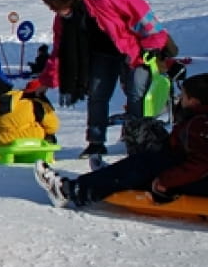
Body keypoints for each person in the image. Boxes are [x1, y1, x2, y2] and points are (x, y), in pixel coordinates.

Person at [37, 0, 174, 160]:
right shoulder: (64, 21)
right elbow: (60, 52)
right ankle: (96, 143)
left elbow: (141, 13)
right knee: (97, 95)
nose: (53, 9)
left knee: (136, 95)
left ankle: (137, 140)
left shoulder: (106, 0)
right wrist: (47, 80)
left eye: (54, 4)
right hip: (102, 56)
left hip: (133, 52)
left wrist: (152, 44)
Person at [35, 74, 208, 208]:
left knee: (142, 165)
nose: (180, 99)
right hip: (189, 171)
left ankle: (70, 191)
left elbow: (201, 164)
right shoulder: (197, 119)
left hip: (198, 181)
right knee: (146, 158)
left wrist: (166, 181)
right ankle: (109, 177)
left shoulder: (200, 124)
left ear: (194, 101)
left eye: (184, 96)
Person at [0, 88, 60, 161]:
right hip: (32, 136)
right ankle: (48, 155)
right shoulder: (36, 103)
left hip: (3, 139)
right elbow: (52, 127)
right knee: (44, 130)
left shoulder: (1, 103)